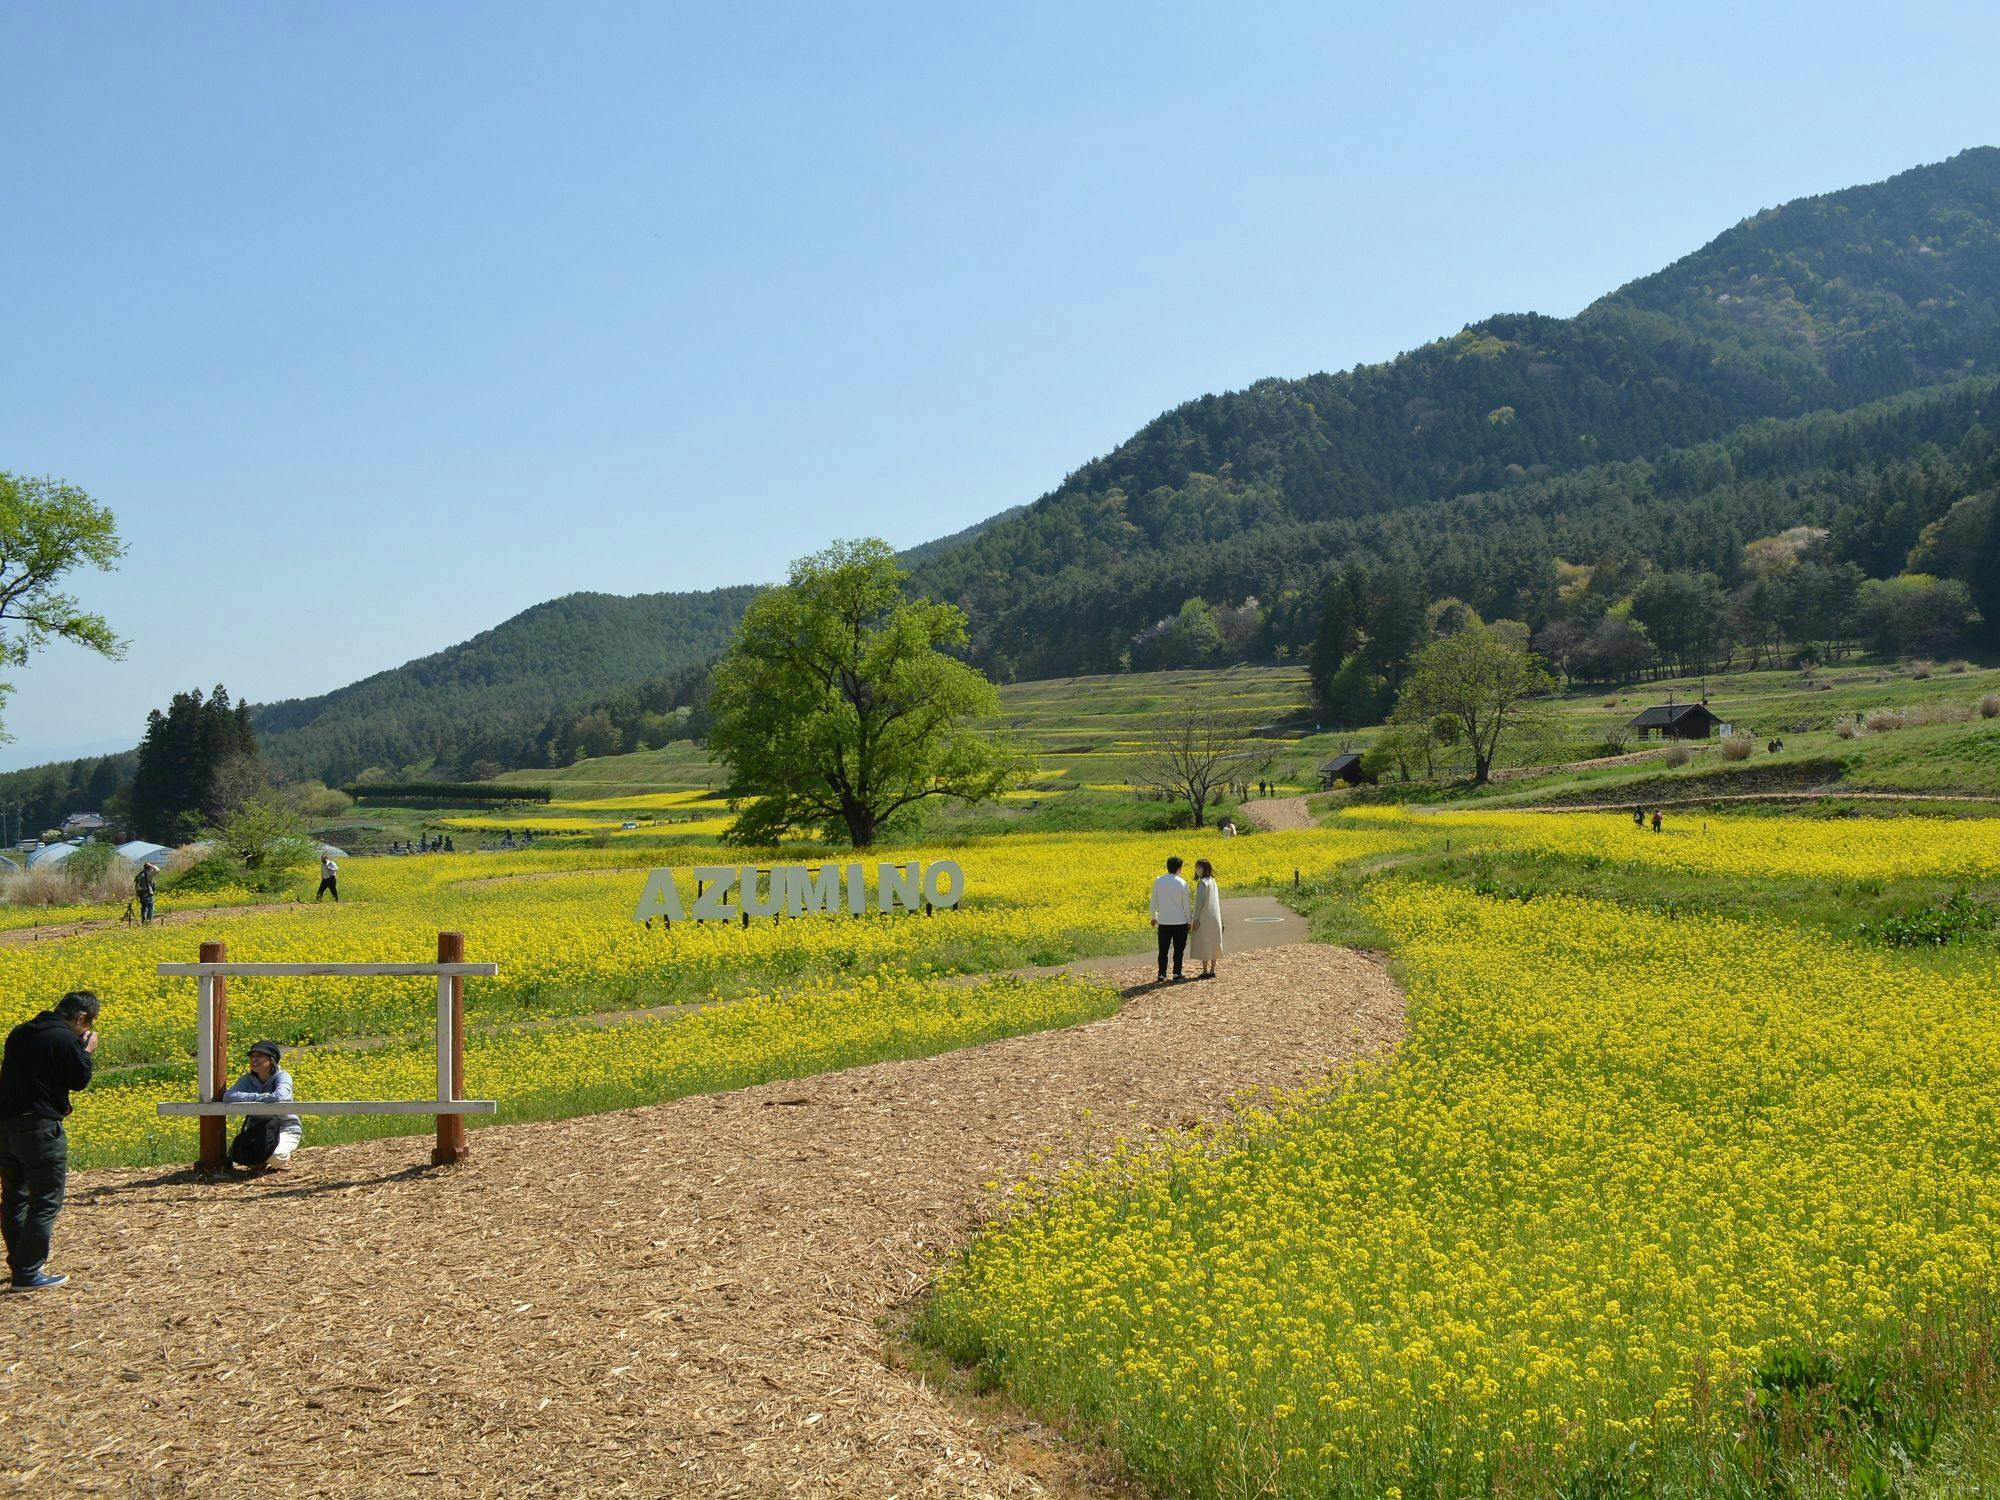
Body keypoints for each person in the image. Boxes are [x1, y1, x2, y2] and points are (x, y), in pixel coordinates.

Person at [0, 990, 98, 1290]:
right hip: (40, 1129)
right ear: (81, 1018)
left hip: (5, 1126)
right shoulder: (66, 1039)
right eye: (87, 1024)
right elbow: (79, 1080)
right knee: (45, 1199)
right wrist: (87, 1051)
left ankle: (20, 1262)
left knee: (14, 1197)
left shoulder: (19, 1033)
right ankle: (28, 1273)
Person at [223, 1041, 300, 1171]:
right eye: (251, 1056)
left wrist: (258, 1097)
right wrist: (259, 1097)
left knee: (275, 1156)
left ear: (271, 1059)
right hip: (257, 1130)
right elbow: (228, 1096)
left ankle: (278, 1159)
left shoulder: (283, 1076)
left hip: (285, 1127)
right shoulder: (247, 1079)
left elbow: (279, 1096)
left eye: (259, 1055)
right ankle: (262, 1158)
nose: (253, 1059)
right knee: (243, 1156)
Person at [1149, 856, 1192, 983]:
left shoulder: (1158, 880)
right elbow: (1186, 905)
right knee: (1178, 950)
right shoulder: (1182, 883)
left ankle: (1161, 974)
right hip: (1180, 922)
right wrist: (1189, 921)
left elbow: (1153, 901)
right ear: (1179, 868)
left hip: (1164, 921)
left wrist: (1153, 917)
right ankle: (1177, 973)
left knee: (1163, 950)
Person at [1188, 858, 1224, 979]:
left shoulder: (1202, 882)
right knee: (1214, 942)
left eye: (1199, 867)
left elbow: (1199, 903)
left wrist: (1195, 919)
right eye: (1196, 867)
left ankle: (1205, 970)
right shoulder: (1213, 881)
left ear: (1205, 868)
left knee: (1204, 942)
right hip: (1215, 917)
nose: (1197, 870)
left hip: (1204, 917)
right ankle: (1212, 970)